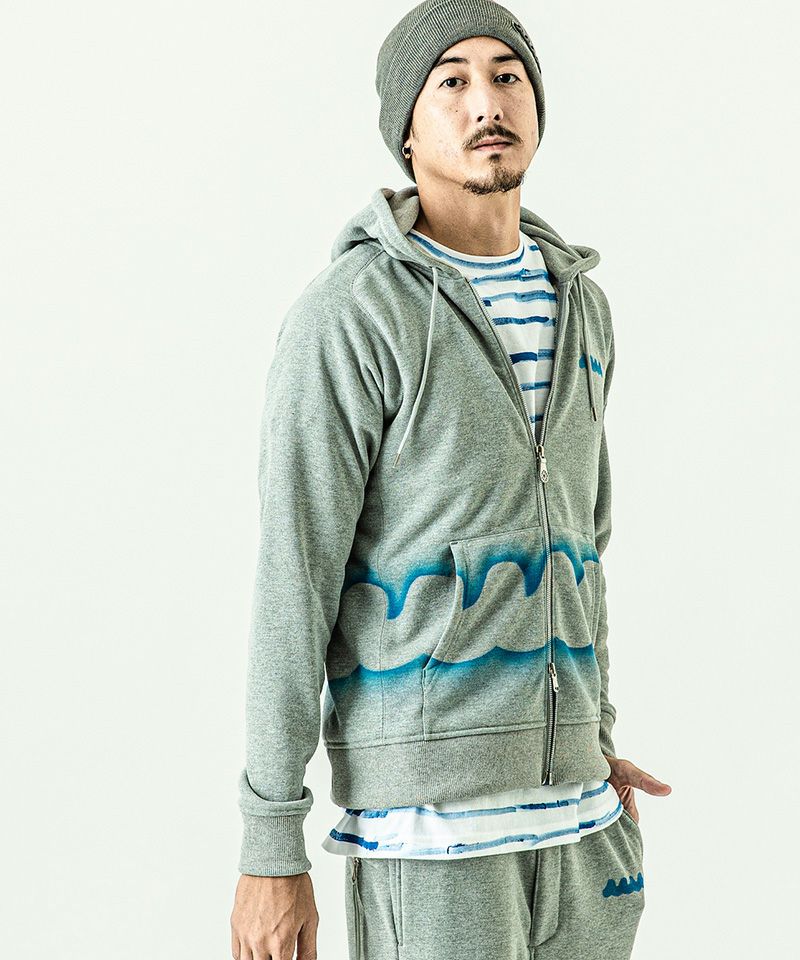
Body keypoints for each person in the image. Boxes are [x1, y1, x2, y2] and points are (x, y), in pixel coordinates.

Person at [230, 2, 672, 958]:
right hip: (431, 846)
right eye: (453, 81)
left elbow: (584, 543)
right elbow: (294, 579)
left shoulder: (582, 306)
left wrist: (590, 734)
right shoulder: (352, 314)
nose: (487, 102)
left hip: (585, 831)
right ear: (406, 128)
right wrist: (270, 841)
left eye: (508, 76)